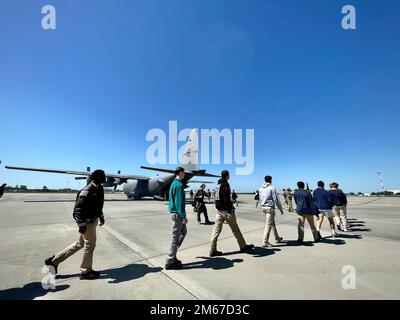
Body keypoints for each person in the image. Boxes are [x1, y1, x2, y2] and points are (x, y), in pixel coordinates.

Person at [44, 170, 106, 280]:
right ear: (97, 177)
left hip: (92, 221)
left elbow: (98, 205)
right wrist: (81, 225)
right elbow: (78, 208)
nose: (105, 178)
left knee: (79, 244)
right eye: (103, 176)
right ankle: (85, 271)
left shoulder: (99, 188)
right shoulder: (88, 190)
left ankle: (53, 261)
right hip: (87, 223)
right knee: (90, 245)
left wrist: (101, 216)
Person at [210, 170, 254, 256]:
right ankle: (243, 246)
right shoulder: (225, 184)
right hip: (226, 212)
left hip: (219, 211)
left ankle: (213, 249)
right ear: (227, 176)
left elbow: (215, 197)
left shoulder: (217, 185)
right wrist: (230, 210)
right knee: (235, 229)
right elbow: (227, 198)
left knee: (216, 231)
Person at [165, 167, 188, 270]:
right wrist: (184, 216)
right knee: (175, 238)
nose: (184, 175)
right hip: (178, 215)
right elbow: (179, 203)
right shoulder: (178, 185)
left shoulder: (173, 183)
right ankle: (170, 261)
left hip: (175, 213)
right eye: (184, 173)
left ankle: (173, 255)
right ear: (180, 173)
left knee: (183, 232)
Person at [258, 176, 284, 247]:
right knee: (268, 225)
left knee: (272, 223)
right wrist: (280, 209)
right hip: (270, 208)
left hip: (264, 208)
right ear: (271, 180)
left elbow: (260, 198)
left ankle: (277, 237)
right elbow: (276, 200)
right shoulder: (272, 188)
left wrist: (262, 205)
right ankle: (265, 241)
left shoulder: (260, 188)